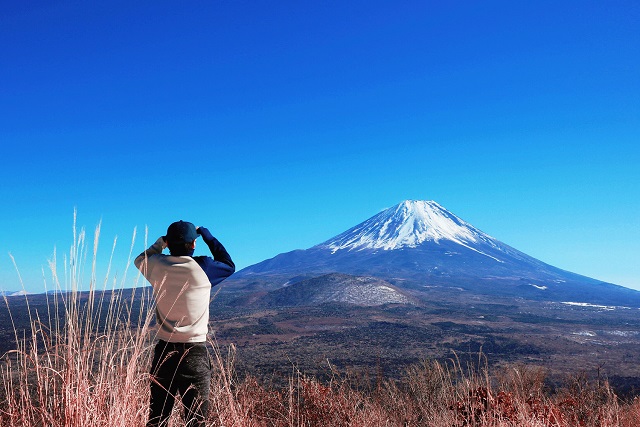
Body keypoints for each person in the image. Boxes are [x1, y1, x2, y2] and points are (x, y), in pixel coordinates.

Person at [134, 220, 235, 427]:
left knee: (157, 419)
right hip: (194, 352)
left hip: (164, 351)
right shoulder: (204, 268)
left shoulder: (157, 266)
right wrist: (207, 235)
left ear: (169, 244)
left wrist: (160, 243)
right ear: (193, 244)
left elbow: (140, 259)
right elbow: (228, 265)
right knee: (195, 421)